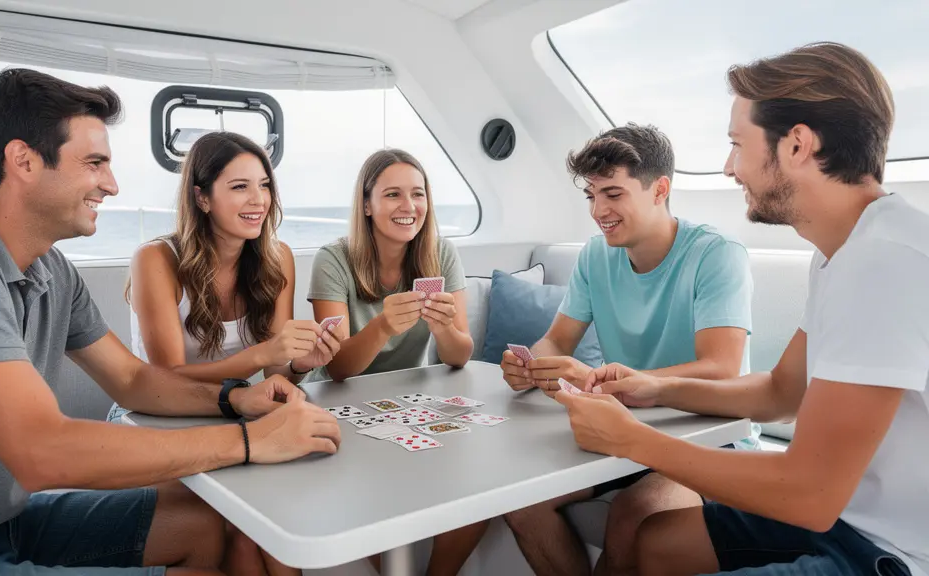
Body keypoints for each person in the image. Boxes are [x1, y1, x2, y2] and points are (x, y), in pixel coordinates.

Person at [0, 68, 341, 576]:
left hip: (7, 519)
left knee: (210, 523)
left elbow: (132, 379)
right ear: (22, 160)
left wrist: (234, 398)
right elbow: (41, 452)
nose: (111, 185)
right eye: (94, 163)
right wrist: (248, 442)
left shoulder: (50, 269)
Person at [557, 42, 928, 576]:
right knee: (655, 542)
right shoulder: (842, 255)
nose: (731, 169)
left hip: (890, 553)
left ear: (797, 144)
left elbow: (809, 494)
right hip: (846, 518)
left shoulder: (885, 262)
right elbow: (781, 393)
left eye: (737, 144)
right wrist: (656, 387)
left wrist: (631, 439)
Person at [500, 123, 755, 576]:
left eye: (613, 194)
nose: (599, 210)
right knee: (520, 503)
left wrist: (616, 383)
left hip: (709, 436)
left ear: (660, 189)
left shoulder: (717, 254)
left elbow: (722, 369)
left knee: (635, 513)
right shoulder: (595, 256)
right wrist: (532, 365)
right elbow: (557, 340)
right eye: (591, 196)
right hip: (618, 431)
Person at [106, 131, 342, 575]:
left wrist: (298, 363)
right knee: (232, 528)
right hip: (150, 419)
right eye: (240, 187)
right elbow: (166, 377)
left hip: (234, 410)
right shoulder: (154, 259)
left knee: (274, 523)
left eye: (265, 185)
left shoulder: (278, 257)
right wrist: (261, 357)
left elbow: (277, 368)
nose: (259, 199)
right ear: (202, 197)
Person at [308, 148, 483, 576]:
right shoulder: (332, 259)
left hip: (408, 397)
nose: (409, 207)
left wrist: (443, 329)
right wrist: (383, 326)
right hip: (332, 399)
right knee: (366, 493)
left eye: (418, 194)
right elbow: (337, 367)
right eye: (392, 195)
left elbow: (460, 356)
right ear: (366, 205)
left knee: (477, 487)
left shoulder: (441, 253)